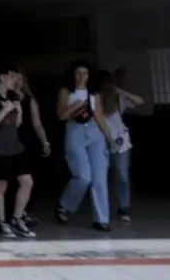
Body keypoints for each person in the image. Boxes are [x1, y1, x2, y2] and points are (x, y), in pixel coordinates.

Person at [55, 60, 114, 231]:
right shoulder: (66, 92)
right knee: (83, 176)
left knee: (99, 177)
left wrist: (109, 138)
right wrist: (74, 106)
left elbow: (100, 117)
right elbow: (61, 115)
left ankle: (102, 219)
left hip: (95, 132)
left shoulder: (94, 94)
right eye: (79, 73)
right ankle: (64, 204)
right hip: (75, 131)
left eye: (85, 73)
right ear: (73, 75)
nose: (82, 77)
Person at [0, 66, 36, 239]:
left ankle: (17, 218)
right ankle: (2, 222)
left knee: (27, 181)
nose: (15, 81)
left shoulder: (12, 97)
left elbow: (15, 125)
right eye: (12, 77)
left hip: (15, 146)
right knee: (0, 186)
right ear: (2, 77)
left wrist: (18, 112)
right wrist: (5, 109)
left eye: (16, 78)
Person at [101, 71, 145, 223]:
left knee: (121, 174)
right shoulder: (97, 99)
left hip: (121, 143)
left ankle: (123, 207)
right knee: (102, 175)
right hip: (102, 142)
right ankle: (103, 206)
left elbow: (140, 101)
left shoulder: (120, 99)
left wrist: (120, 91)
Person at [13, 73, 52, 227]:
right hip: (10, 141)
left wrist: (45, 141)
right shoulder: (6, 98)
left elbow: (37, 123)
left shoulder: (30, 100)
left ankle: (24, 212)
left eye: (21, 79)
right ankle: (15, 213)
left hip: (27, 142)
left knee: (28, 178)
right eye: (15, 79)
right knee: (14, 179)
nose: (17, 82)